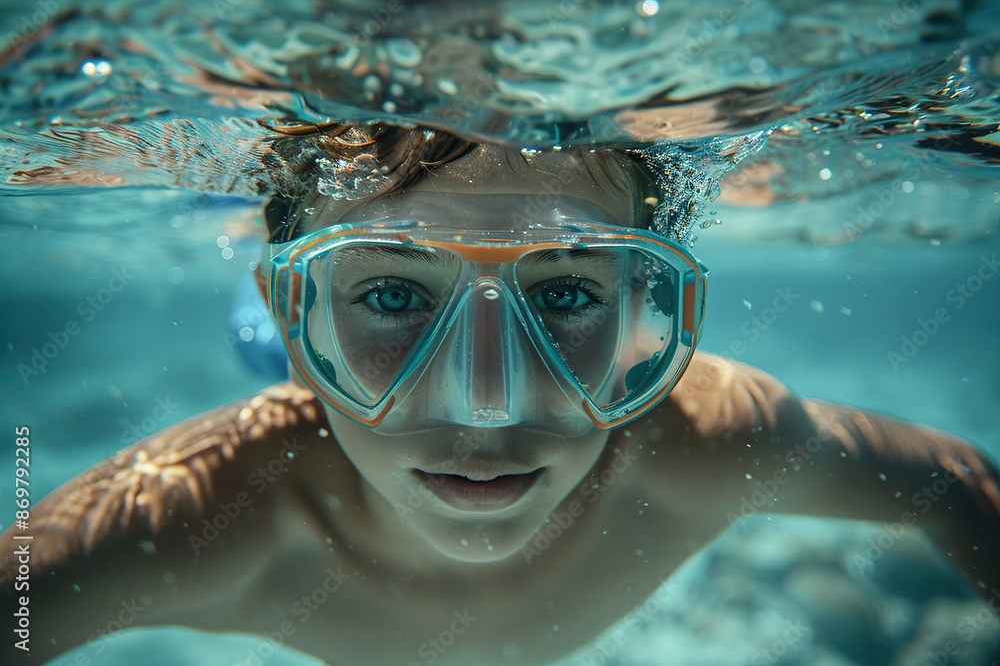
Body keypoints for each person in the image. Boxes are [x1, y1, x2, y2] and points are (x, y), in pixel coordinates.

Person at [3, 123, 999, 666]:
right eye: (391, 291)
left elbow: (959, 484)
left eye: (567, 291)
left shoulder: (706, 436)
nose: (487, 405)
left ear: (641, 310)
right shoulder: (190, 516)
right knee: (257, 340)